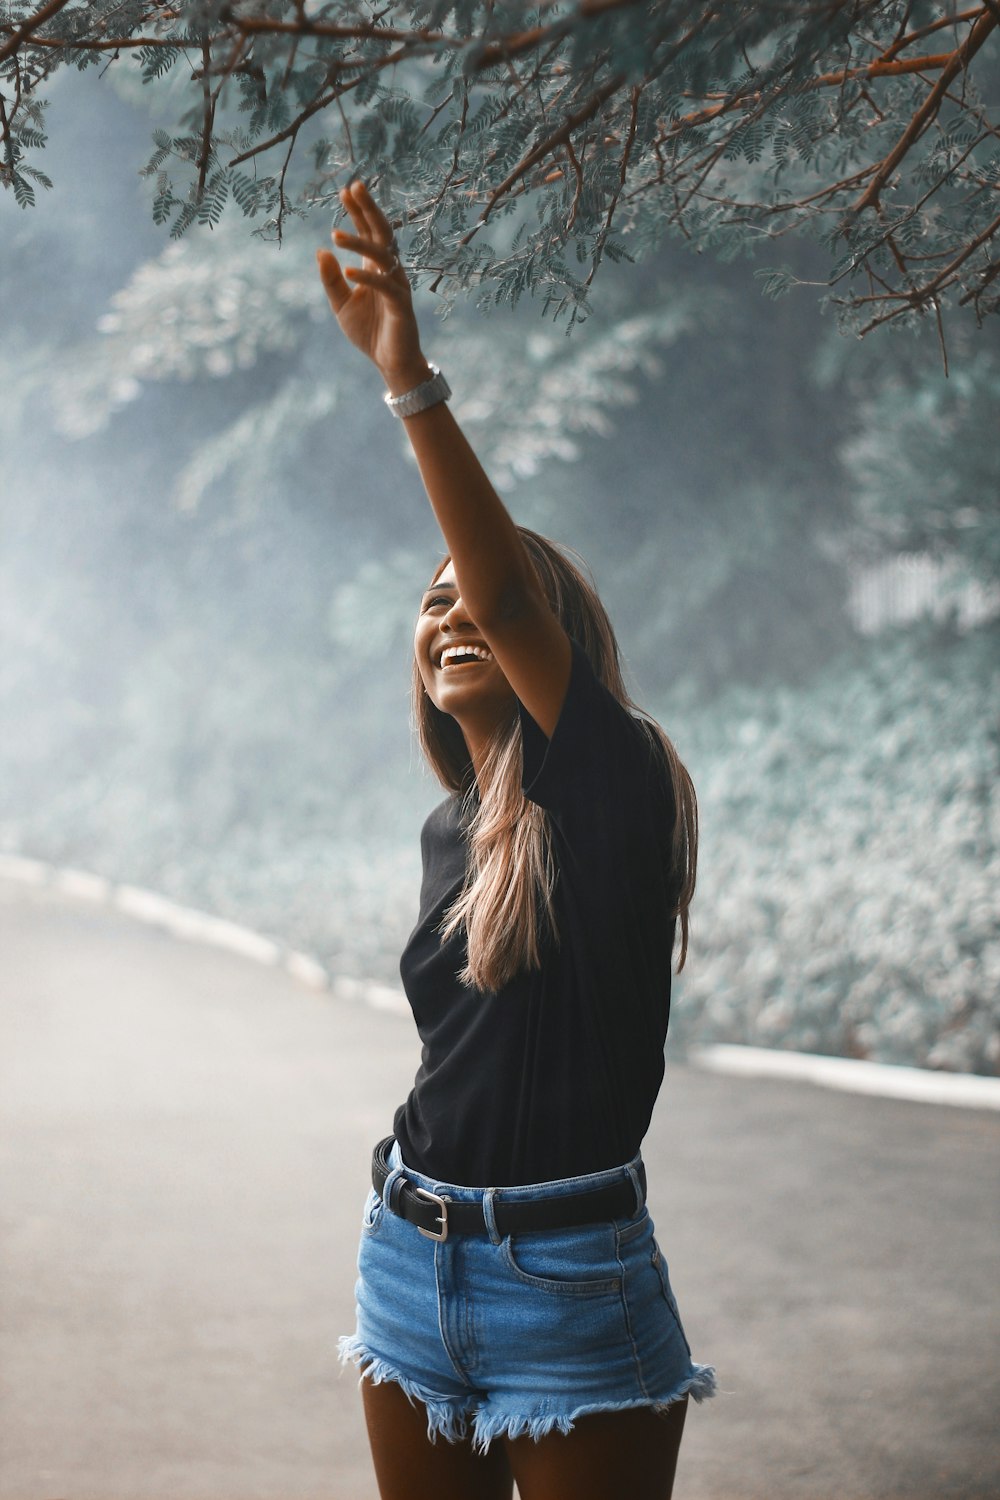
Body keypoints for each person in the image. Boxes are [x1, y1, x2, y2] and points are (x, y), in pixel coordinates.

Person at [316, 180, 715, 1500]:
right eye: (429, 605)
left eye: (482, 595)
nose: (452, 613)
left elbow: (494, 576)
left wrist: (408, 377)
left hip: (570, 1278)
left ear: (556, 640)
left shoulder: (613, 781)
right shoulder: (450, 832)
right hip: (407, 1256)